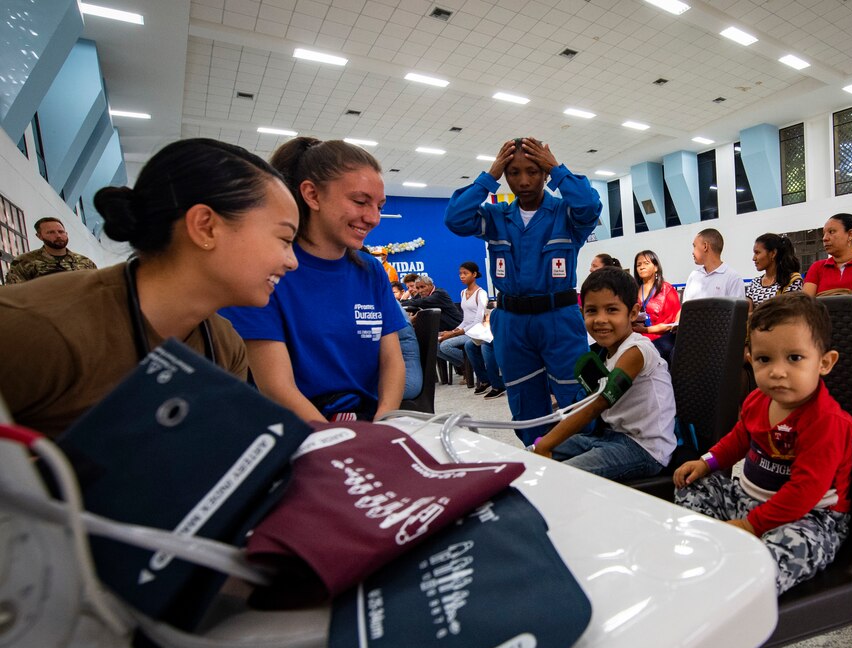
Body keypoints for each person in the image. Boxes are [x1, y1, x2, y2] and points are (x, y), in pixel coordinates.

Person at [0, 138, 298, 437]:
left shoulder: (224, 345)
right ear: (205, 226)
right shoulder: (37, 328)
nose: (292, 261)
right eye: (285, 240)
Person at [674, 294, 852, 595]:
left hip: (809, 518)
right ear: (750, 357)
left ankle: (735, 582)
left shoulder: (826, 420)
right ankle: (708, 551)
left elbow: (804, 493)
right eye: (764, 359)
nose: (777, 371)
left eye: (794, 358)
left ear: (825, 362)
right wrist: (707, 462)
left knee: (789, 552)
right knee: (691, 484)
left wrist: (750, 526)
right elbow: (738, 439)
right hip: (747, 500)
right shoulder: (758, 400)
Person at [221, 137, 406, 423]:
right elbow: (276, 387)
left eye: (379, 206)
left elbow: (392, 361)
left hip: (366, 425)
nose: (373, 218)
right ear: (312, 195)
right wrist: (340, 441)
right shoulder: (264, 272)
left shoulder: (370, 270)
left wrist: (384, 423)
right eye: (360, 201)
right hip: (297, 430)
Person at [445, 137, 602, 444]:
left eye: (533, 171)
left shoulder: (566, 215)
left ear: (544, 173)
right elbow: (455, 218)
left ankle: (585, 460)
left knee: (576, 396)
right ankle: (537, 453)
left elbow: (590, 205)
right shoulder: (497, 217)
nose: (523, 180)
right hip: (512, 322)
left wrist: (557, 168)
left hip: (559, 319)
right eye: (513, 172)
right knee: (524, 401)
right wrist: (489, 176)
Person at [530, 267, 676, 480]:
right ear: (582, 314)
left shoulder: (637, 351)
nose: (600, 319)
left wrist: (547, 443)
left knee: (558, 476)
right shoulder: (605, 354)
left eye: (611, 310)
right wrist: (543, 443)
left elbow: (598, 404)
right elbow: (585, 403)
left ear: (633, 313)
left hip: (646, 449)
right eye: (591, 311)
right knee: (530, 454)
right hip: (610, 437)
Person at [5, 217, 97, 284]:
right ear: (39, 236)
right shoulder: (24, 262)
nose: (58, 236)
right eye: (51, 232)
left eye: (61, 232)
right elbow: (16, 294)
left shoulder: (85, 262)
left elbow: (98, 289)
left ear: (66, 233)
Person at [436, 261, 488, 376]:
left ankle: (474, 364)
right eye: (460, 274)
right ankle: (466, 366)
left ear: (474, 274)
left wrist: (454, 333)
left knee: (446, 346)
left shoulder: (481, 293)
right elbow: (465, 320)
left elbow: (478, 321)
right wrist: (453, 331)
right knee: (436, 345)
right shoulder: (463, 293)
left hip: (476, 332)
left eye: (465, 273)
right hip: (465, 331)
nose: (462, 276)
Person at [631, 250, 681, 362]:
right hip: (637, 339)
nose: (641, 267)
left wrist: (645, 329)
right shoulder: (633, 291)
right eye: (638, 265)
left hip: (661, 341)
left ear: (656, 267)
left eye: (646, 263)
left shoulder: (667, 289)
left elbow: (672, 324)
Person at [804, 214, 852, 297]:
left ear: (850, 235)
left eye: (831, 232)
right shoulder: (817, 267)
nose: (825, 238)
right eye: (824, 234)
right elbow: (806, 304)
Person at [682, 228, 745, 304]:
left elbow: (737, 313)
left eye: (694, 246)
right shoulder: (693, 276)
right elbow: (685, 309)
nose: (692, 252)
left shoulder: (733, 278)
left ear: (705, 246)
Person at [746, 233, 804, 313]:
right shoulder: (754, 283)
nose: (754, 258)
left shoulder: (792, 281)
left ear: (773, 253)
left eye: (757, 253)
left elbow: (787, 314)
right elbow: (746, 315)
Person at [464, 306, 506, 399]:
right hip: (482, 327)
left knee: (486, 344)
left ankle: (498, 385)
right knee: (469, 345)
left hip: (502, 327)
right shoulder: (463, 296)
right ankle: (485, 380)